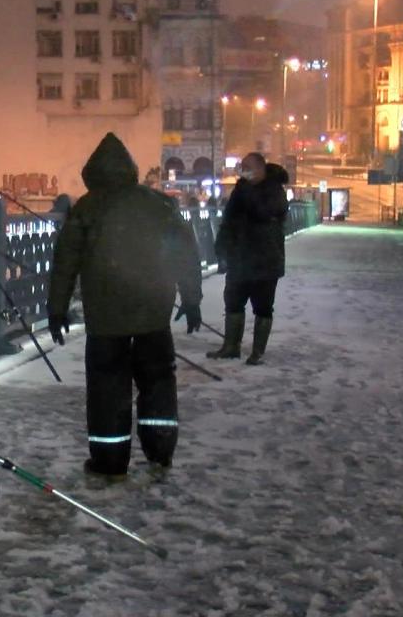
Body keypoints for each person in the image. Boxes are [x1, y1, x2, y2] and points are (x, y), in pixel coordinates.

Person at [47, 132, 203, 481]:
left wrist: (56, 309)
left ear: (92, 173)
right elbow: (185, 252)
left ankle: (110, 462)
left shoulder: (87, 208)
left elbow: (65, 264)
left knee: (107, 387)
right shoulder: (159, 204)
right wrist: (191, 299)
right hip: (153, 312)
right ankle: (160, 450)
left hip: (106, 319)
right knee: (158, 381)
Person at [207, 152, 289, 366]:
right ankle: (231, 347)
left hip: (265, 259)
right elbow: (229, 220)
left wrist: (247, 190)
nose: (244, 171)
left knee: (263, 306)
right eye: (242, 167)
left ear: (261, 168)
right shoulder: (241, 189)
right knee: (233, 302)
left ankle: (257, 352)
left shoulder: (274, 190)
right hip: (239, 257)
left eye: (248, 167)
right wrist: (221, 246)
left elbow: (262, 213)